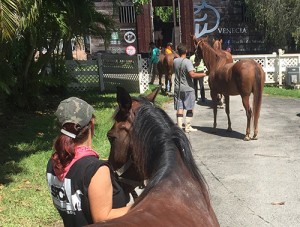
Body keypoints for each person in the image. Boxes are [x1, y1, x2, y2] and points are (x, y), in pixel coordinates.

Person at [46, 97, 131, 227]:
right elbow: (103, 218)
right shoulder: (95, 170)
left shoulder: (53, 163)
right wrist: (143, 205)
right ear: (91, 124)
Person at [173, 43, 207, 133]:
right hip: (188, 88)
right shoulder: (187, 61)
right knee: (190, 108)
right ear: (186, 51)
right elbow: (192, 74)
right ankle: (188, 127)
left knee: (179, 108)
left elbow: (181, 69)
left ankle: (180, 127)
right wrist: (204, 74)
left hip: (177, 88)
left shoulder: (175, 61)